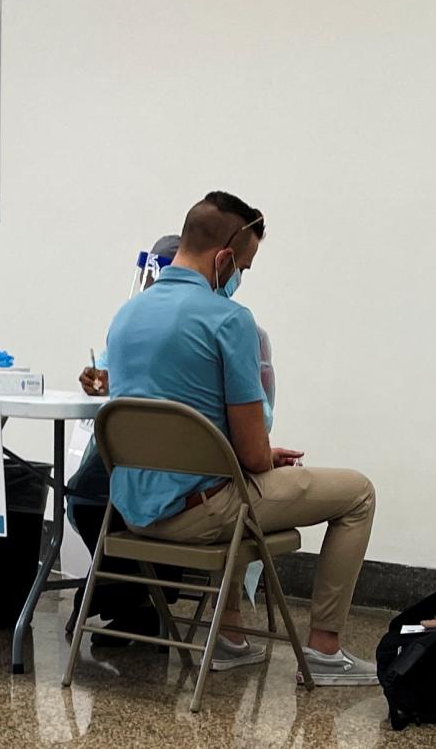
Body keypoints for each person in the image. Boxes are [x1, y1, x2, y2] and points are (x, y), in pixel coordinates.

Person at [104, 191, 378, 686]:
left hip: (132, 514)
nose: (239, 280)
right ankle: (323, 651)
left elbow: (174, 426)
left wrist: (241, 455)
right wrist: (261, 455)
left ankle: (229, 637)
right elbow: (252, 456)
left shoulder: (126, 316)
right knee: (357, 492)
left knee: (224, 482)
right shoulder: (229, 320)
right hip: (198, 513)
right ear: (225, 257)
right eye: (244, 269)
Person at [66, 235, 182, 646]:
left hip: (179, 458)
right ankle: (134, 600)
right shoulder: (132, 322)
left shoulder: (222, 327)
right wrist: (104, 381)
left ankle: (126, 594)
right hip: (133, 450)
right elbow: (122, 379)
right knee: (84, 495)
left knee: (132, 502)